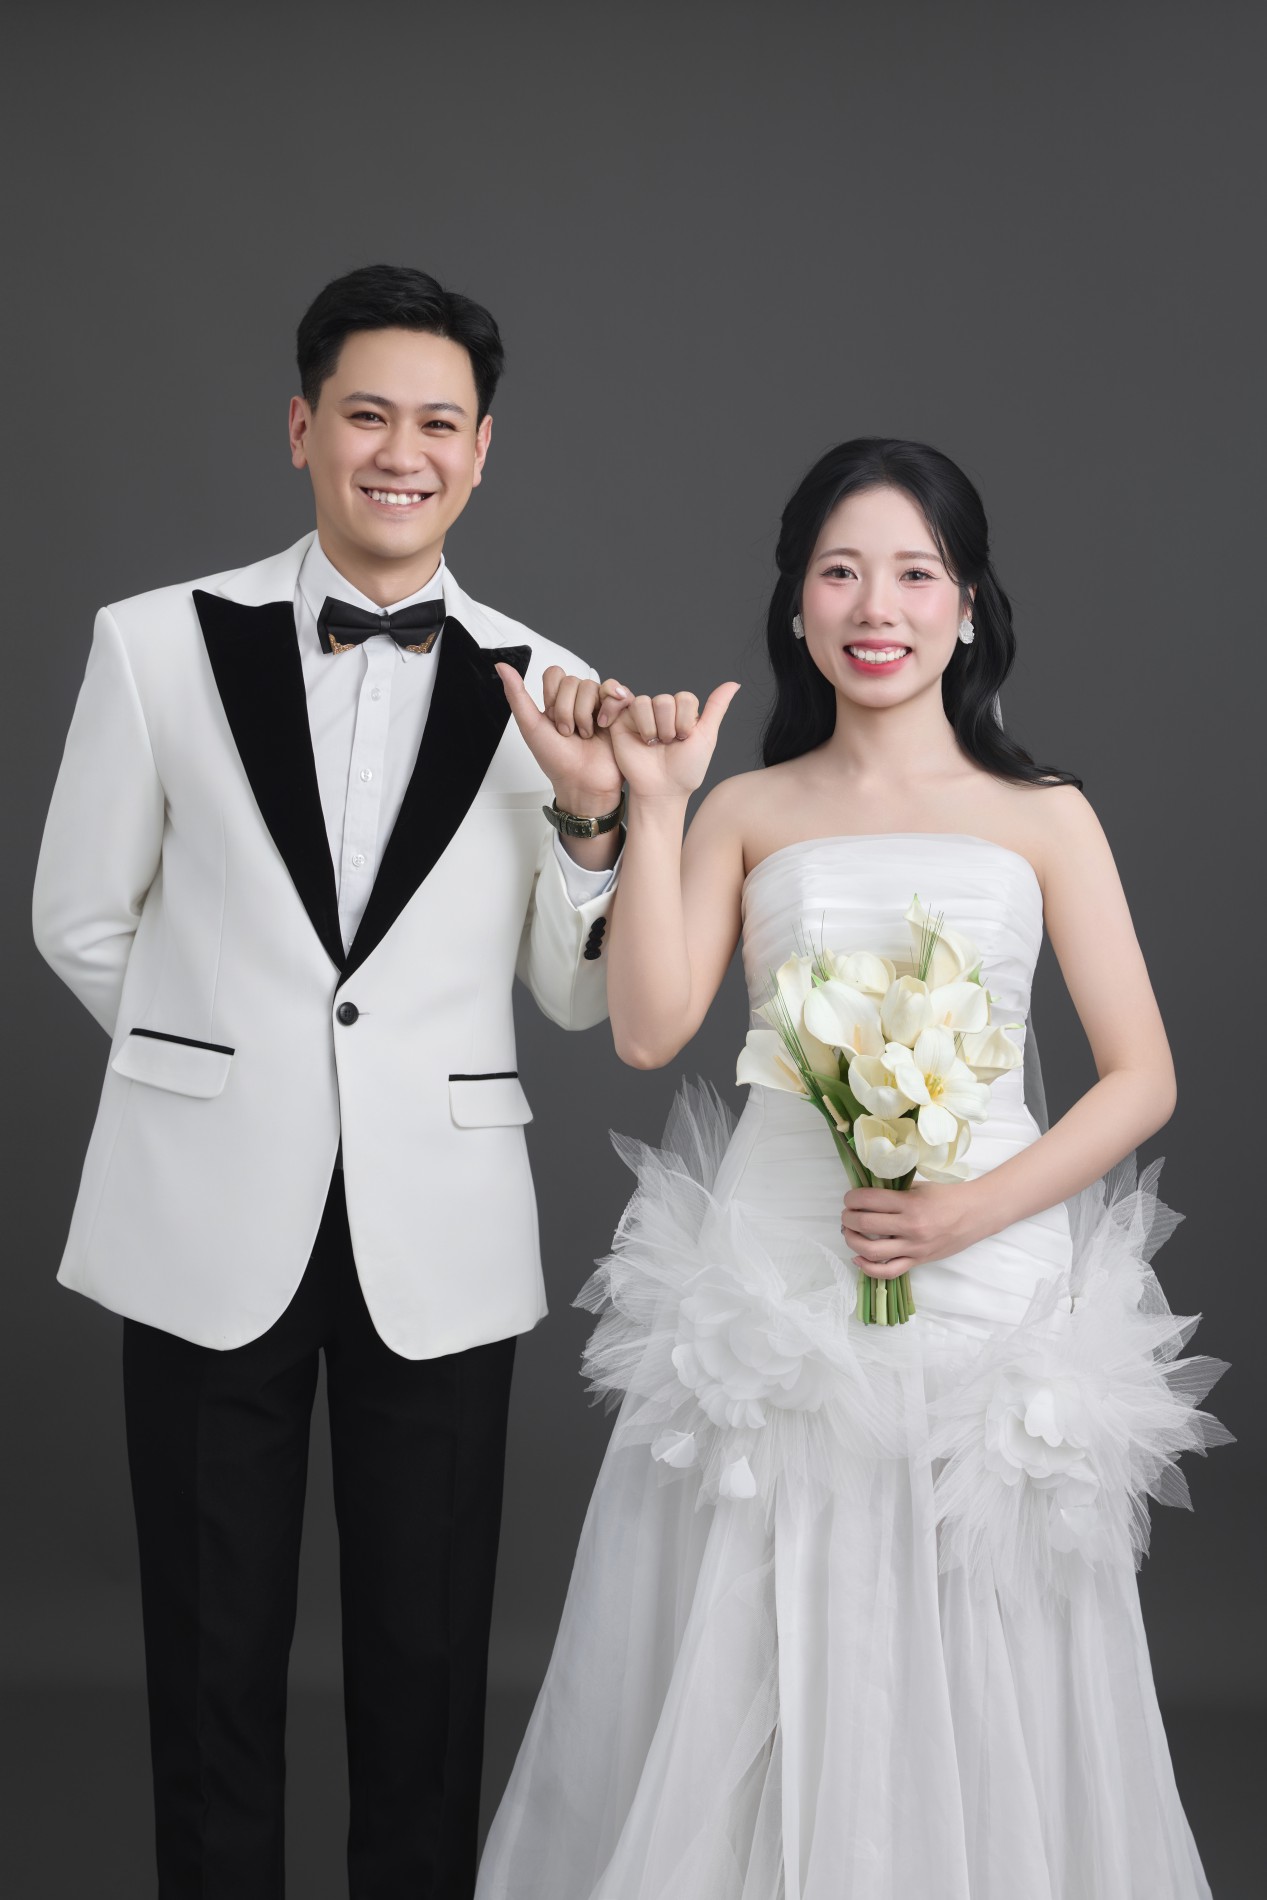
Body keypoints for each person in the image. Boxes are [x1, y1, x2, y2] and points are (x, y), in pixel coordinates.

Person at [481, 438, 1227, 1897]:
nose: (875, 606)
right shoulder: (751, 809)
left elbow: (1143, 1075)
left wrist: (965, 1214)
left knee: (986, 1618)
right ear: (798, 604)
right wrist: (657, 803)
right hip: (782, 1269)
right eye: (839, 572)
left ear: (968, 604)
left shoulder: (1046, 815)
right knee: (756, 1608)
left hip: (987, 1270)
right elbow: (644, 1029)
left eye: (913, 573)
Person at [32, 263, 648, 1899]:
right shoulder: (154, 644)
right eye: (368, 414)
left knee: (428, 1670)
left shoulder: (550, 683)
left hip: (437, 1225)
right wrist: (216, 1074)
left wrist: (596, 820)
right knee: (209, 1663)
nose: (402, 451)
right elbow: (78, 915)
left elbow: (576, 992)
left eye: (439, 424)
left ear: (483, 451)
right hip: (200, 1212)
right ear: (302, 427)